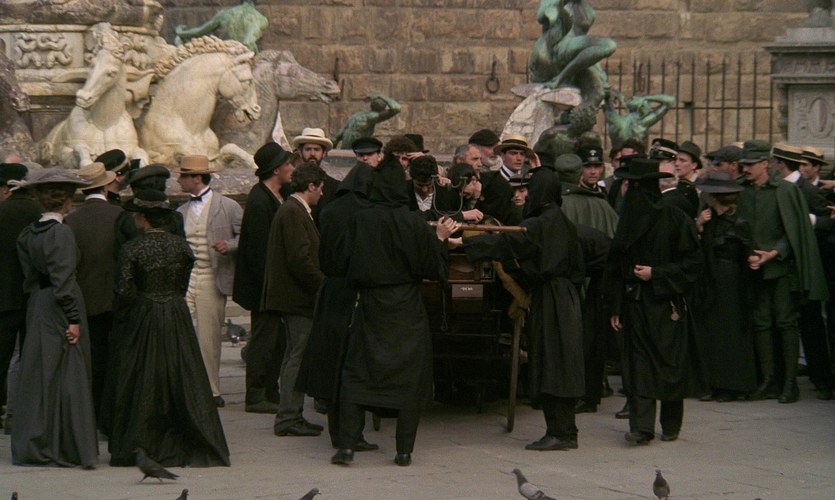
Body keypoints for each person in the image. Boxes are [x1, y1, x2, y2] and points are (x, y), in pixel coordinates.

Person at [452, 165, 586, 450]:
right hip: (566, 296)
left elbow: (507, 241)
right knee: (562, 362)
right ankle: (565, 430)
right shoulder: (560, 220)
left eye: (528, 190)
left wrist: (463, 241)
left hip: (552, 298)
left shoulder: (542, 223)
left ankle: (560, 432)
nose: (523, 195)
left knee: (552, 361)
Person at [331, 163, 456, 467]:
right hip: (406, 307)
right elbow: (433, 269)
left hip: (371, 305)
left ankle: (346, 446)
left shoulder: (359, 220)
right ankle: (404, 451)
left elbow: (338, 262)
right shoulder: (413, 222)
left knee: (358, 373)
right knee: (408, 379)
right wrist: (439, 239)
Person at [107, 189, 229, 467]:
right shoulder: (182, 247)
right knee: (181, 371)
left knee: (143, 374)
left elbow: (124, 291)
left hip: (145, 315)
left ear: (143, 218)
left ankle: (142, 441)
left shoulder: (132, 248)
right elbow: (182, 284)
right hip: (175, 312)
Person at [605, 158, 702, 445]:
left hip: (665, 304)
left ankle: (670, 423)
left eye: (630, 185)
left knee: (669, 364)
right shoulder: (628, 221)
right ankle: (642, 427)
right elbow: (615, 266)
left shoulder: (674, 218)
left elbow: (693, 264)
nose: (626, 191)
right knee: (638, 367)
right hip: (634, 304)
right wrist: (616, 305)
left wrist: (656, 274)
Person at [12, 168, 98, 468]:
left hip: (38, 303)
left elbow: (29, 276)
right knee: (68, 371)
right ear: (68, 200)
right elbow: (63, 281)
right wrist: (73, 318)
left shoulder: (29, 232)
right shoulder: (60, 233)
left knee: (39, 371)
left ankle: (39, 438)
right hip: (60, 306)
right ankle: (67, 444)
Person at [737, 141, 829, 404]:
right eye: (744, 164)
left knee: (786, 322)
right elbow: (739, 227)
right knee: (761, 322)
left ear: (765, 164)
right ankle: (769, 380)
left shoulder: (786, 191)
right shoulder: (742, 191)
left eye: (751, 164)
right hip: (754, 268)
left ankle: (790, 383)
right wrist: (750, 253)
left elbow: (794, 231)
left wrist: (774, 253)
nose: (746, 169)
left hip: (781, 269)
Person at [296, 162, 378, 451]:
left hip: (331, 293)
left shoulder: (329, 209)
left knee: (333, 366)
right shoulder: (368, 212)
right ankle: (353, 434)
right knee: (354, 368)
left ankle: (337, 433)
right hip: (356, 293)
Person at [176, 155, 242, 407]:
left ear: (197, 178)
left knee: (209, 337)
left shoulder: (228, 206)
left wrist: (230, 245)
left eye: (183, 176)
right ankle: (184, 387)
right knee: (179, 331)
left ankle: (212, 390)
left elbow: (246, 236)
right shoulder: (180, 211)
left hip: (211, 276)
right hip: (186, 277)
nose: (179, 180)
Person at [234, 142, 296, 413]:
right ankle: (256, 394)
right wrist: (272, 287)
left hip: (274, 286)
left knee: (277, 342)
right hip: (264, 288)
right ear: (275, 170)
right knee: (263, 342)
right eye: (288, 164)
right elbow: (258, 252)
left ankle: (271, 390)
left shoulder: (278, 195)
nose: (292, 168)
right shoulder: (260, 201)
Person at [266, 164, 327, 438]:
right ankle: (289, 417)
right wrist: (323, 285)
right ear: (311, 186)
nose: (322, 194)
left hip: (295, 297)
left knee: (294, 354)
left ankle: (291, 414)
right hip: (297, 299)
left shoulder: (294, 210)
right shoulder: (293, 212)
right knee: (297, 356)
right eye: (320, 188)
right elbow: (299, 260)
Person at [64, 162, 122, 423]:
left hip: (85, 299)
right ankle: (111, 412)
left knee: (92, 359)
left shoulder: (72, 219)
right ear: (106, 187)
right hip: (115, 298)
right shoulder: (119, 215)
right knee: (114, 358)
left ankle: (93, 411)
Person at [693, 172, 758, 401]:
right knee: (714, 332)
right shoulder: (709, 219)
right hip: (711, 280)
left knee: (731, 332)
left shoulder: (739, 222)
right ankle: (714, 383)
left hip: (731, 283)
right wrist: (699, 226)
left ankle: (733, 385)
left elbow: (748, 251)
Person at [0, 163, 41, 432]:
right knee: (30, 357)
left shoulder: (2, 212)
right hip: (33, 295)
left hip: (4, 297)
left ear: (6, 188)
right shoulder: (39, 213)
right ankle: (25, 411)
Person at [331, 94, 401, 149]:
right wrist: (380, 96)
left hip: (346, 145)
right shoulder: (372, 117)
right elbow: (396, 108)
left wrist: (333, 148)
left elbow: (339, 135)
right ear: (384, 107)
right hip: (356, 148)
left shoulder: (357, 115)